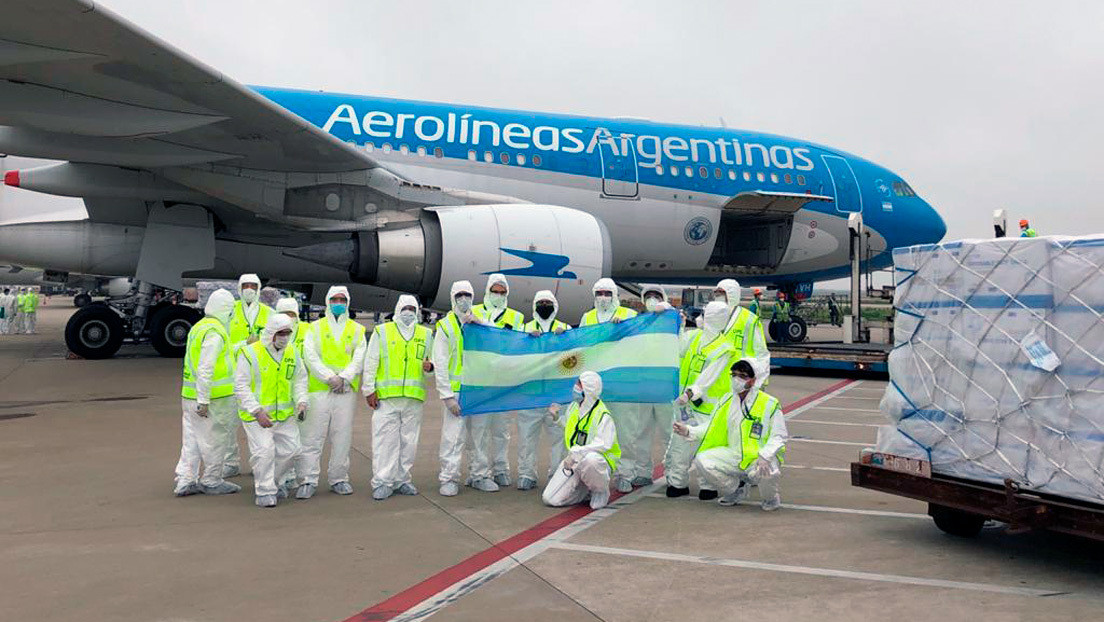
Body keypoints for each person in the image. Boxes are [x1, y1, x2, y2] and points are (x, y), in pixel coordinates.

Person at [674, 359, 788, 511]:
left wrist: (765, 456)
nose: (736, 379)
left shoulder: (769, 403)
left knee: (768, 472)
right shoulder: (726, 400)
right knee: (703, 461)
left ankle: (770, 499)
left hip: (759, 457)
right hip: (734, 454)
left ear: (754, 380)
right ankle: (736, 489)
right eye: (733, 375)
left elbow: (779, 435)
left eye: (742, 376)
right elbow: (712, 426)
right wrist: (689, 431)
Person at [298, 285, 366, 498]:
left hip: (345, 391)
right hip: (320, 389)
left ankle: (339, 478)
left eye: (342, 300)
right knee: (312, 436)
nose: (338, 304)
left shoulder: (357, 329)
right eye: (334, 299)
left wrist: (345, 377)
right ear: (327, 302)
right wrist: (329, 377)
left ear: (347, 302)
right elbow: (310, 356)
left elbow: (359, 356)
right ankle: (308, 480)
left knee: (342, 436)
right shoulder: (314, 328)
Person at [664, 301, 738, 499]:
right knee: (681, 443)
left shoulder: (724, 348)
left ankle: (708, 486)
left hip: (709, 406)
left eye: (706, 314)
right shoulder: (695, 336)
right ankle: (677, 483)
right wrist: (679, 327)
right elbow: (679, 349)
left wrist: (691, 392)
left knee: (706, 445)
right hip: (686, 405)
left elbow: (709, 376)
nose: (701, 317)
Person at [233, 314, 308, 508]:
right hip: (257, 416)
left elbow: (300, 379)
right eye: (281, 333)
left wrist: (301, 401)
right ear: (271, 333)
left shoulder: (292, 352)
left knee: (293, 451)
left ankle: (274, 481)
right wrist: (256, 411)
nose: (284, 337)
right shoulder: (249, 353)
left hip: (284, 414)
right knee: (265, 451)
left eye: (287, 333)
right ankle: (265, 491)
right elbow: (240, 386)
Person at [362, 294, 432, 500]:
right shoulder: (382, 332)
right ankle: (383, 481)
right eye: (405, 308)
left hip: (413, 397)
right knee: (385, 440)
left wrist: (431, 368)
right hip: (387, 397)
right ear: (398, 309)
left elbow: (431, 363)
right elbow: (371, 361)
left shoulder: (425, 334)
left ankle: (402, 479)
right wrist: (369, 390)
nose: (409, 312)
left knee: (409, 441)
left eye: (412, 308)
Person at [173, 289, 241, 497]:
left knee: (191, 438)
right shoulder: (216, 332)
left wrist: (244, 345)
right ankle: (211, 479)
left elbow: (223, 355)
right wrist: (204, 399)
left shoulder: (199, 328)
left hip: (190, 395)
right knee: (215, 439)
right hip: (214, 398)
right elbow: (206, 367)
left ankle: (185, 479)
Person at [435, 280, 499, 495]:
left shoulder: (482, 322)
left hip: (478, 390)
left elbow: (499, 338)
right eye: (459, 295)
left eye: (467, 295)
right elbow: (440, 362)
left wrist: (482, 323)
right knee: (453, 437)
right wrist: (446, 395)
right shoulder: (445, 326)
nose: (464, 300)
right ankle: (449, 478)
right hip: (456, 391)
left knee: (480, 436)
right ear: (453, 298)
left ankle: (479, 475)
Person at [580, 278, 639, 493]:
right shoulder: (587, 317)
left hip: (622, 382)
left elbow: (639, 342)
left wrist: (623, 328)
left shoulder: (628, 315)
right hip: (596, 384)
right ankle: (594, 475)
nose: (603, 297)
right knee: (594, 430)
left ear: (615, 294)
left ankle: (626, 473)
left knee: (625, 430)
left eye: (607, 293)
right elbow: (580, 345)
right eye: (599, 293)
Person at [471, 273, 525, 488]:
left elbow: (520, 344)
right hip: (481, 381)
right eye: (495, 291)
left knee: (501, 430)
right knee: (479, 430)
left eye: (503, 292)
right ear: (487, 291)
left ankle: (501, 468)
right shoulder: (473, 312)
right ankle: (479, 472)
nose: (499, 295)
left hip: (503, 383)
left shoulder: (516, 317)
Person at [542, 371, 621, 510]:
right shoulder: (574, 407)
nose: (575, 387)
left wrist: (577, 452)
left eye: (579, 384)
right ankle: (584, 491)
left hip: (597, 463)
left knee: (591, 460)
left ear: (588, 389)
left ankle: (600, 491)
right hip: (575, 461)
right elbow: (571, 429)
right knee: (550, 499)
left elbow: (603, 444)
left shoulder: (602, 414)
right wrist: (557, 418)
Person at [516, 290, 570, 491]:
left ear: (555, 305)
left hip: (556, 397)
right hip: (530, 395)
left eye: (548, 302)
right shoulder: (524, 329)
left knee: (559, 439)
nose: (544, 305)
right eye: (541, 302)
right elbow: (515, 358)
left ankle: (557, 474)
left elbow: (574, 360)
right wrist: (524, 340)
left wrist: (566, 341)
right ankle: (526, 474)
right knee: (526, 438)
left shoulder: (564, 329)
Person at [224, 273, 274, 477]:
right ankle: (230, 462)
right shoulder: (230, 312)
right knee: (229, 424)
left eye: (253, 285)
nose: (249, 289)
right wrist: (243, 345)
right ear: (239, 287)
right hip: (233, 373)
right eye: (245, 285)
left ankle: (259, 463)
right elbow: (224, 345)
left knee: (258, 424)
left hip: (259, 376)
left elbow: (275, 342)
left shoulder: (269, 312)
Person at [626, 284, 675, 490]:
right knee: (640, 432)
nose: (652, 299)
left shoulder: (672, 321)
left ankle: (673, 471)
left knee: (669, 433)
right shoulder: (638, 323)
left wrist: (668, 311)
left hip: (665, 388)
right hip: (643, 387)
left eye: (656, 296)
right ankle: (642, 471)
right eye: (649, 296)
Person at [714, 279, 770, 384]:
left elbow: (761, 353)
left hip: (741, 379)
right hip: (717, 381)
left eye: (721, 293)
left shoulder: (749, 320)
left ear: (732, 294)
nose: (718, 297)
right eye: (716, 293)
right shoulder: (712, 317)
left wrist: (760, 382)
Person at [275, 297, 305, 490]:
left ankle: (293, 474)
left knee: (298, 441)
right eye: (284, 314)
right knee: (279, 443)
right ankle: (280, 477)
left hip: (301, 393)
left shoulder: (308, 331)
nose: (288, 318)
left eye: (292, 315)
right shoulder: (272, 334)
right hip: (279, 398)